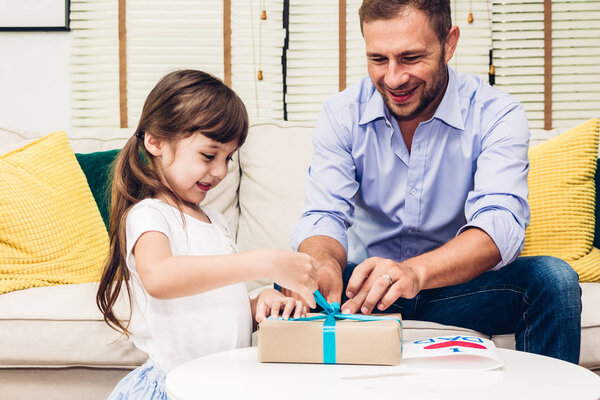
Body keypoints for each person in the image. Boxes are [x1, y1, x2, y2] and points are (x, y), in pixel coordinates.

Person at [289, 0, 581, 363]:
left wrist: (414, 272)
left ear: (450, 43)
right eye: (378, 59)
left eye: (411, 57)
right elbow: (324, 213)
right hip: (365, 290)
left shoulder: (496, 113)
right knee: (288, 279)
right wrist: (325, 265)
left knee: (553, 279)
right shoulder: (341, 113)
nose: (393, 79)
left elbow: (500, 224)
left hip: (456, 289)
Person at [96, 69, 319, 399]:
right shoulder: (149, 215)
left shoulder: (214, 220)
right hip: (178, 386)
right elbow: (159, 278)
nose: (220, 171)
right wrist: (264, 263)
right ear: (155, 141)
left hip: (223, 384)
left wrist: (257, 303)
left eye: (228, 158)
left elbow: (209, 302)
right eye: (208, 155)